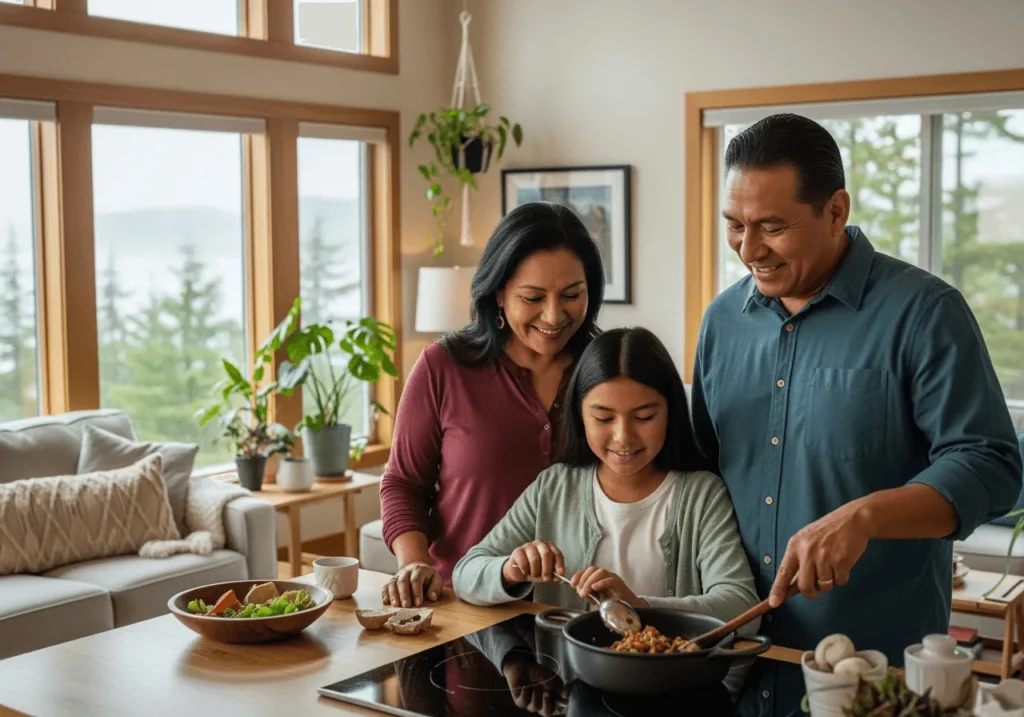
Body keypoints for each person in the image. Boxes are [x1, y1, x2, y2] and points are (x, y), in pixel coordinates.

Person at [690, 112, 1024, 715]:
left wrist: (867, 515)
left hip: (874, 681)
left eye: (772, 227)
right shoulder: (720, 323)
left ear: (836, 210)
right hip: (734, 666)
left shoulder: (925, 312)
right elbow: (699, 477)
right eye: (734, 226)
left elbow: (992, 465)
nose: (749, 249)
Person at [453, 327, 760, 634]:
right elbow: (465, 575)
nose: (623, 437)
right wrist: (510, 570)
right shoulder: (555, 488)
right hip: (563, 676)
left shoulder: (702, 495)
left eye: (644, 418)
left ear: (671, 412)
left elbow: (743, 608)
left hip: (672, 680)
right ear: (580, 415)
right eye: (603, 418)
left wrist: (640, 607)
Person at [379, 201, 605, 608]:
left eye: (572, 295)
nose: (554, 315)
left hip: (575, 613)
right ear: (499, 293)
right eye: (533, 297)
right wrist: (413, 564)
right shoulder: (443, 367)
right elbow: (403, 484)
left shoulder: (603, 370)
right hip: (464, 608)